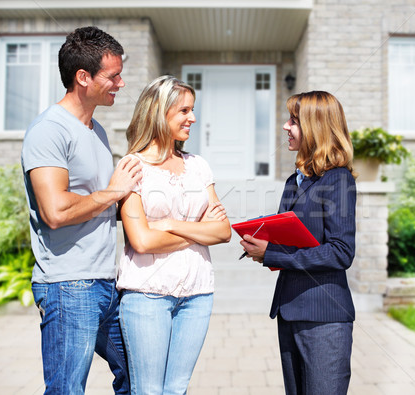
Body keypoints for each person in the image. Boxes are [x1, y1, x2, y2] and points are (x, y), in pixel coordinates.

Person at [21, 26, 142, 394]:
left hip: (107, 282)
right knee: (67, 389)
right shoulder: (48, 130)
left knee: (139, 376)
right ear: (83, 77)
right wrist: (114, 191)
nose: (120, 83)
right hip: (69, 284)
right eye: (113, 75)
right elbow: (55, 211)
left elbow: (102, 202)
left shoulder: (96, 130)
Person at [117, 75, 232, 395]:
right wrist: (199, 230)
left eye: (192, 110)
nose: (192, 118)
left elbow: (223, 231)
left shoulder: (198, 166)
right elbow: (141, 241)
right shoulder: (132, 167)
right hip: (146, 294)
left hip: (198, 293)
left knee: (177, 389)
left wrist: (169, 224)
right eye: (184, 111)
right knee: (149, 391)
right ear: (158, 112)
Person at [239, 90, 357, 395]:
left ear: (316, 127)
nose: (285, 127)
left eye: (294, 121)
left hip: (323, 317)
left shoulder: (338, 179)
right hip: (290, 311)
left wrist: (272, 253)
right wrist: (262, 242)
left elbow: (341, 252)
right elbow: (291, 236)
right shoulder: (296, 180)